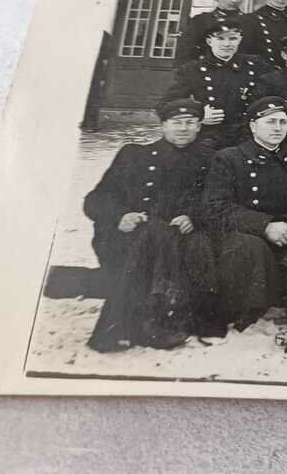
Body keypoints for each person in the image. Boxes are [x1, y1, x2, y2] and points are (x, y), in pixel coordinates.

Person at [83, 98, 215, 352]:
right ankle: (147, 322)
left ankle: (123, 326)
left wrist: (193, 217)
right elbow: (95, 199)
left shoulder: (210, 160)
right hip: (128, 239)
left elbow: (216, 201)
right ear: (163, 125)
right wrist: (120, 216)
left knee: (158, 233)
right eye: (176, 122)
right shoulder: (135, 155)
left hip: (179, 240)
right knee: (152, 232)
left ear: (199, 126)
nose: (183, 128)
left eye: (190, 123)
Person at [201, 97, 287, 338]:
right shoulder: (229, 158)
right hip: (245, 230)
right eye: (270, 121)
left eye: (283, 122)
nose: (277, 127)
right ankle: (247, 311)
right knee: (247, 246)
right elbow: (217, 206)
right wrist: (265, 225)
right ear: (253, 126)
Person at [160, 21, 271, 149]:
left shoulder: (256, 65)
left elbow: (271, 95)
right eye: (220, 38)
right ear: (209, 41)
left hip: (247, 137)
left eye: (233, 38)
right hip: (209, 138)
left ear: (240, 40)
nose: (227, 44)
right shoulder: (192, 70)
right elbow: (166, 104)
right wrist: (198, 115)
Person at [176, 0, 247, 62]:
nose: (234, 1)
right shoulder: (201, 20)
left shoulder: (249, 21)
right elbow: (186, 49)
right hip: (207, 68)